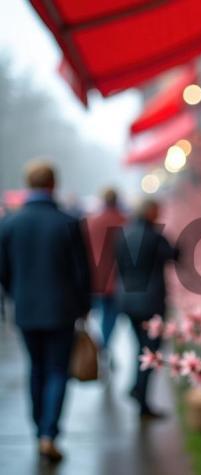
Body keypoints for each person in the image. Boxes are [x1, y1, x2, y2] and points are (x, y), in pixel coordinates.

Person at [0, 162, 91, 462]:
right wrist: (84, 307)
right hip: (62, 311)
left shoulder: (10, 224)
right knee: (56, 371)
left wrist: (16, 296)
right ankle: (48, 433)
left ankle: (39, 428)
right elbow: (82, 272)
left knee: (36, 369)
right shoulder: (68, 222)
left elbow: (4, 271)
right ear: (53, 184)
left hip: (26, 310)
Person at [115, 199, 178, 418]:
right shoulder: (154, 236)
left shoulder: (123, 233)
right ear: (150, 212)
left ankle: (137, 389)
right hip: (150, 302)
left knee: (141, 349)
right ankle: (141, 397)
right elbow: (173, 256)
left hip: (127, 299)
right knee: (151, 352)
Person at [84, 188, 126, 353]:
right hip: (116, 278)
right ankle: (105, 346)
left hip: (94, 277)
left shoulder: (91, 222)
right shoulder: (124, 220)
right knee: (110, 316)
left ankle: (98, 346)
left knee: (95, 313)